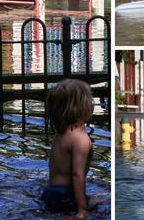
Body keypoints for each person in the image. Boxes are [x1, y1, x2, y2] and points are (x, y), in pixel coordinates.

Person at [42, 79, 95, 219]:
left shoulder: (61, 136)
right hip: (65, 195)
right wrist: (82, 210)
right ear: (83, 108)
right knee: (99, 203)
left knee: (96, 199)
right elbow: (77, 175)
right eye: (90, 101)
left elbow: (52, 166)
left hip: (50, 193)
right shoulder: (81, 139)